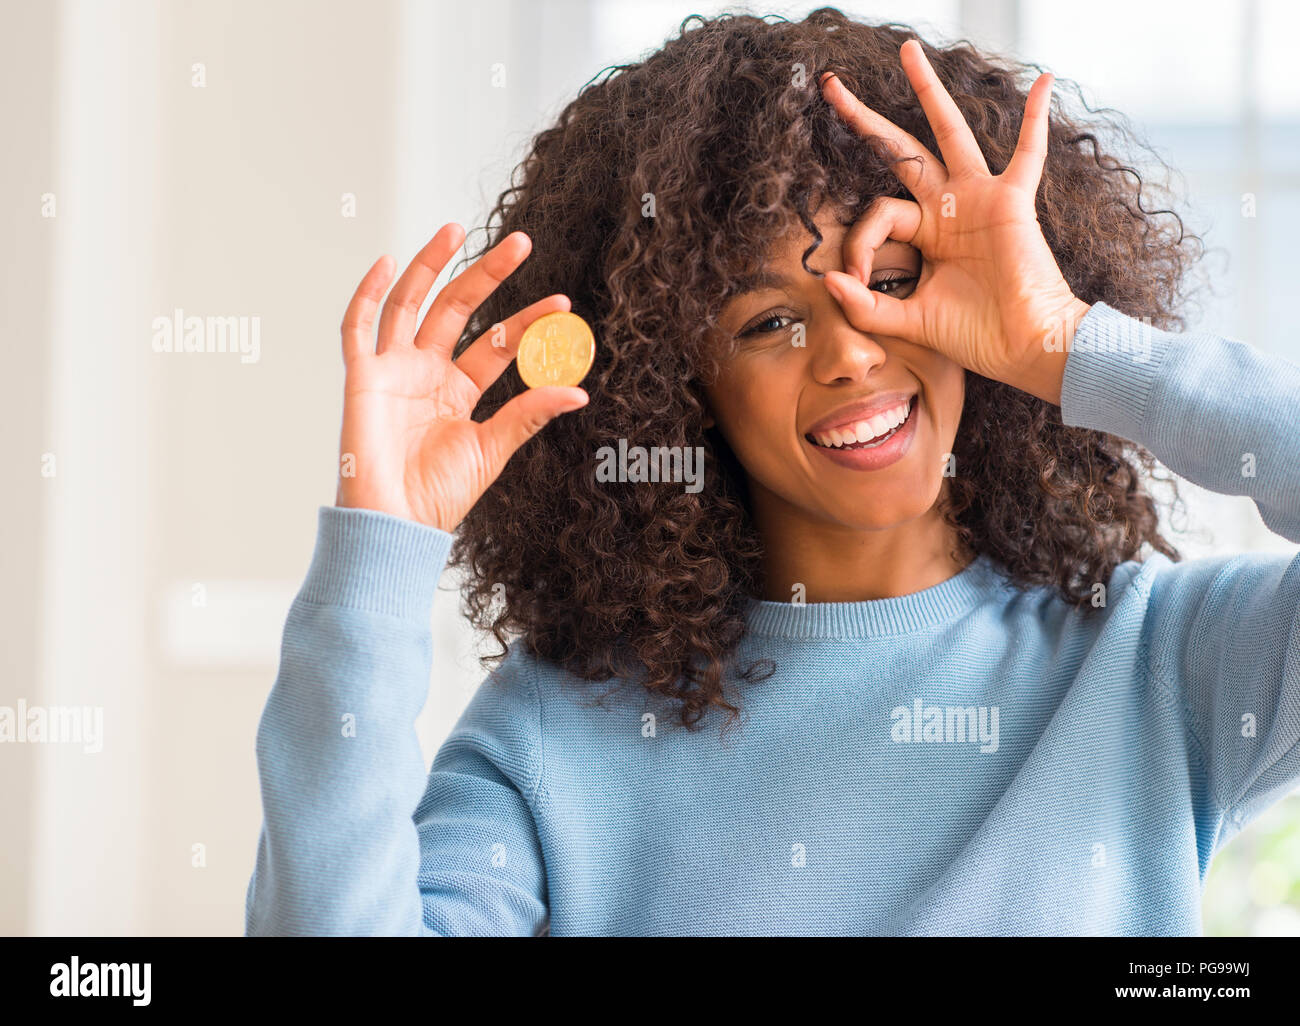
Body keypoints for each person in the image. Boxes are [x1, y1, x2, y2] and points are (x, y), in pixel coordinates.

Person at [244, 10, 1300, 935]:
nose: (848, 351)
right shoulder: (557, 730)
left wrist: (1067, 344)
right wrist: (379, 556)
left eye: (892, 281)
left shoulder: (1164, 664)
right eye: (768, 322)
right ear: (674, 383)